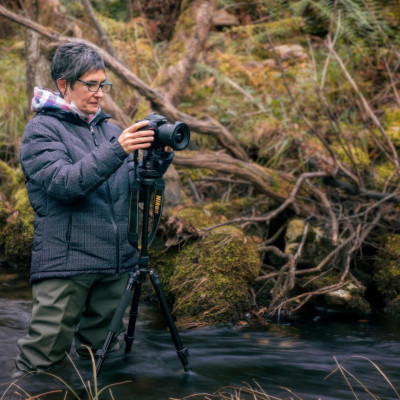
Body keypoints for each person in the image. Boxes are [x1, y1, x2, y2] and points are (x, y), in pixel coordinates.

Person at [14, 42, 174, 374]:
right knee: (40, 362)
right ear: (63, 84)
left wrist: (158, 161)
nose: (100, 93)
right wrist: (118, 150)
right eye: (91, 84)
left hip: (114, 266)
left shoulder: (110, 130)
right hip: (66, 265)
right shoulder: (41, 130)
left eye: (103, 84)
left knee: (104, 360)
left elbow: (132, 190)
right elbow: (64, 184)